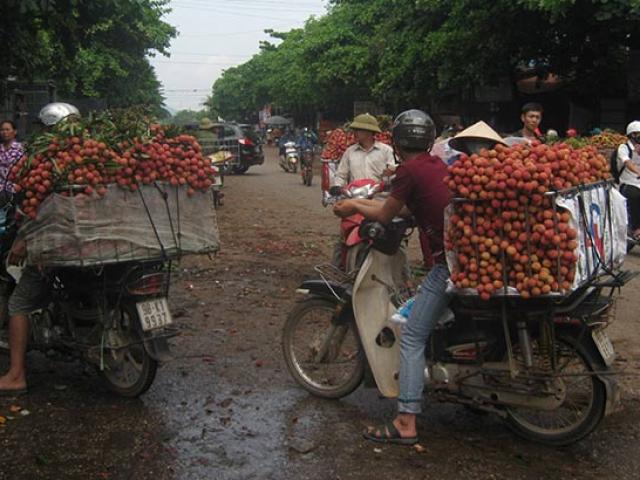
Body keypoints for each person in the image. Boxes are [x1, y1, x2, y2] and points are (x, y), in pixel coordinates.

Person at [333, 113, 506, 444]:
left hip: (449, 264)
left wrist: (353, 204)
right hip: (469, 258)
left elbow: (386, 213)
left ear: (396, 143)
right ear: (428, 141)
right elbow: (413, 205)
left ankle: (405, 422)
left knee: (411, 336)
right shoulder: (437, 166)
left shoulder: (408, 170)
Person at [0, 103, 80, 395]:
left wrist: (23, 241)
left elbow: (40, 210)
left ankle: (16, 374)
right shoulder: (84, 158)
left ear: (47, 129)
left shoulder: (49, 164)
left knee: (18, 304)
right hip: (94, 244)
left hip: (57, 246)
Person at [331, 113, 395, 189]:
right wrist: (337, 186)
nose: (354, 133)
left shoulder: (386, 151)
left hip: (379, 196)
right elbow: (341, 175)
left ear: (369, 132)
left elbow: (392, 173)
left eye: (358, 130)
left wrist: (388, 176)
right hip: (355, 196)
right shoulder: (350, 152)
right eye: (354, 130)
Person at [617, 121, 640, 239]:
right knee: (634, 194)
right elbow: (627, 162)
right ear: (632, 135)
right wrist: (638, 171)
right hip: (627, 183)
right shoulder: (624, 148)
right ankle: (636, 228)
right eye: (638, 134)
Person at [0, 120, 24, 195]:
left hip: (15, 189)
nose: (4, 132)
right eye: (2, 130)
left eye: (7, 129)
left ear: (15, 132)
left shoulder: (21, 148)